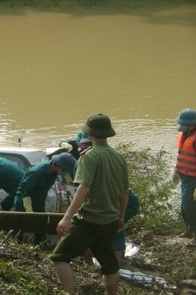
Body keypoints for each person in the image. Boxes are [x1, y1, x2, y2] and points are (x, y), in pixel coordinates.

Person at [51, 113, 129, 295]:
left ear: (90, 134)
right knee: (110, 267)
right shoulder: (119, 157)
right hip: (109, 221)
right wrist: (121, 217)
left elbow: (83, 188)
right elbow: (124, 193)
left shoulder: (89, 156)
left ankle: (70, 293)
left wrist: (66, 218)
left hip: (89, 220)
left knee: (59, 257)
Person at [174, 108, 196, 246]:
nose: (180, 126)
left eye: (183, 124)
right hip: (184, 176)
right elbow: (181, 154)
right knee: (184, 205)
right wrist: (175, 171)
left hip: (194, 179)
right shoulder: (185, 135)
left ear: (192, 125)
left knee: (190, 205)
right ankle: (188, 229)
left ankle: (195, 234)